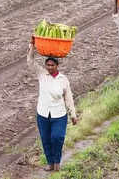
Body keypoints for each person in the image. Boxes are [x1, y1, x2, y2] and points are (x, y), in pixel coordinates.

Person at [27, 36, 78, 172]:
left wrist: (73, 114)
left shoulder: (63, 79)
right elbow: (30, 61)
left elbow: (69, 98)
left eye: (52, 65)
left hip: (59, 115)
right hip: (43, 113)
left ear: (57, 66)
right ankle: (51, 163)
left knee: (57, 137)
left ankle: (57, 161)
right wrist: (32, 45)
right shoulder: (42, 74)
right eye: (48, 65)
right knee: (45, 139)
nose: (49, 67)